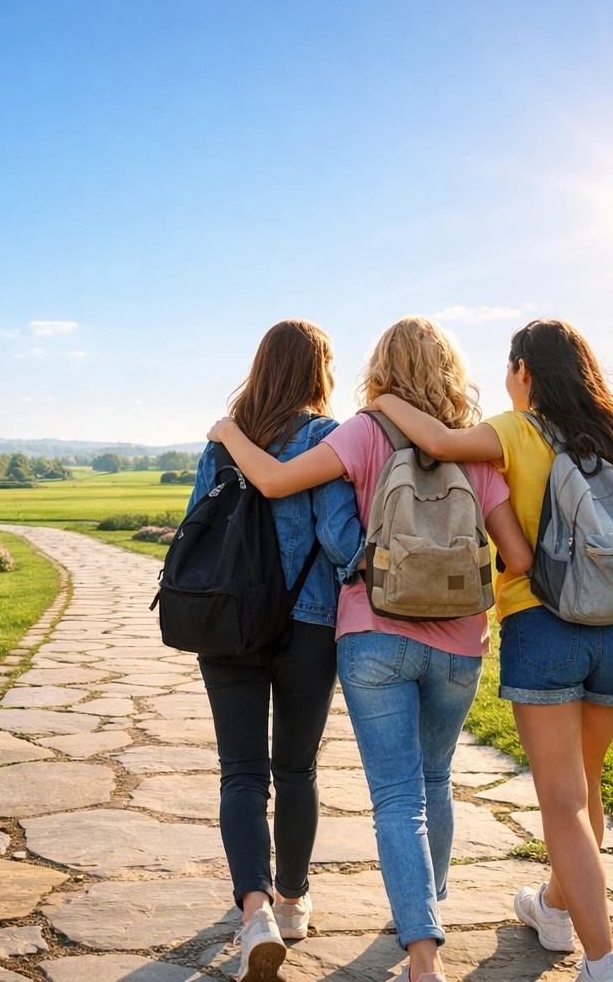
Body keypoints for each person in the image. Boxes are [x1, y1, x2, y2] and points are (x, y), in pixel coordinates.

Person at [365, 319, 613, 982]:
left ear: (523, 373)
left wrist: (383, 400)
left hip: (544, 628)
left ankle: (603, 962)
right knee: (585, 791)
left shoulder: (518, 430)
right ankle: (552, 906)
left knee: (563, 801)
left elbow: (434, 439)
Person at [210, 317, 534, 982]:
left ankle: (418, 946)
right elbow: (518, 555)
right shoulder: (479, 448)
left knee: (394, 795)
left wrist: (226, 432)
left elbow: (281, 490)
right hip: (460, 642)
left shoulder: (360, 433)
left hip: (374, 633)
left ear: (381, 367)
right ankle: (425, 918)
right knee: (433, 780)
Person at [186, 320, 362, 982]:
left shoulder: (224, 440)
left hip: (226, 624)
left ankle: (253, 910)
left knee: (240, 773)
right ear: (319, 370)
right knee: (295, 771)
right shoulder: (327, 440)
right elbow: (341, 540)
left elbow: (197, 524)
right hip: (307, 625)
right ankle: (292, 902)